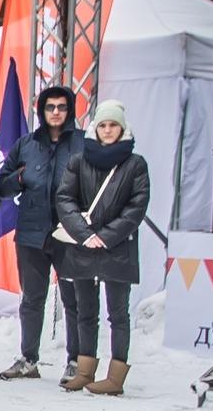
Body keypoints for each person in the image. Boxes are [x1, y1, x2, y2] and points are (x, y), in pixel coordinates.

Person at [55, 100, 150, 395]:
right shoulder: (78, 161)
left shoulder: (135, 164)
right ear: (95, 128)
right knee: (85, 310)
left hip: (117, 247)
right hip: (84, 246)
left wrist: (107, 236)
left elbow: (137, 207)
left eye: (113, 125)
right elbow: (65, 199)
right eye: (103, 125)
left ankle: (115, 377)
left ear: (122, 128)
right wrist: (84, 234)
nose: (108, 130)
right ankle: (85, 371)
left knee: (118, 313)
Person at [0, 86, 85, 383]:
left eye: (62, 107)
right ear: (42, 111)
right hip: (31, 233)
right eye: (50, 107)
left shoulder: (83, 143)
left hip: (69, 233)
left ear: (70, 110)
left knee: (73, 300)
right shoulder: (26, 144)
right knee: (32, 299)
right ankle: (28, 359)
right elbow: (2, 184)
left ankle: (75, 361)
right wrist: (19, 177)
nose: (56, 112)